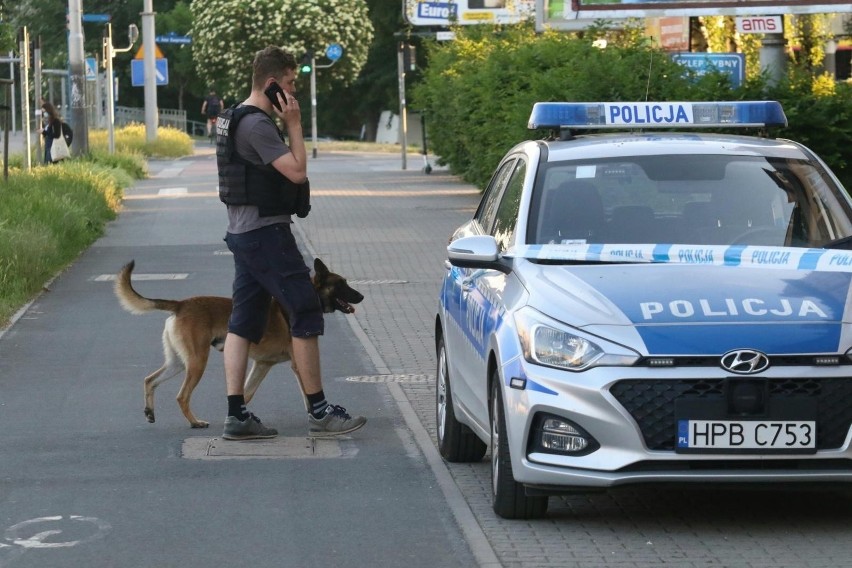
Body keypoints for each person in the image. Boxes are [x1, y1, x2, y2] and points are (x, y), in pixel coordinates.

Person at [216, 46, 366, 440]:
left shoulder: (233, 117)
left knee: (243, 322)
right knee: (305, 309)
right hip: (266, 235)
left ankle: (237, 415)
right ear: (271, 85)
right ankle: (319, 412)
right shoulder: (258, 126)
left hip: (243, 233)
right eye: (289, 83)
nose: (293, 91)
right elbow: (297, 173)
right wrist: (295, 124)